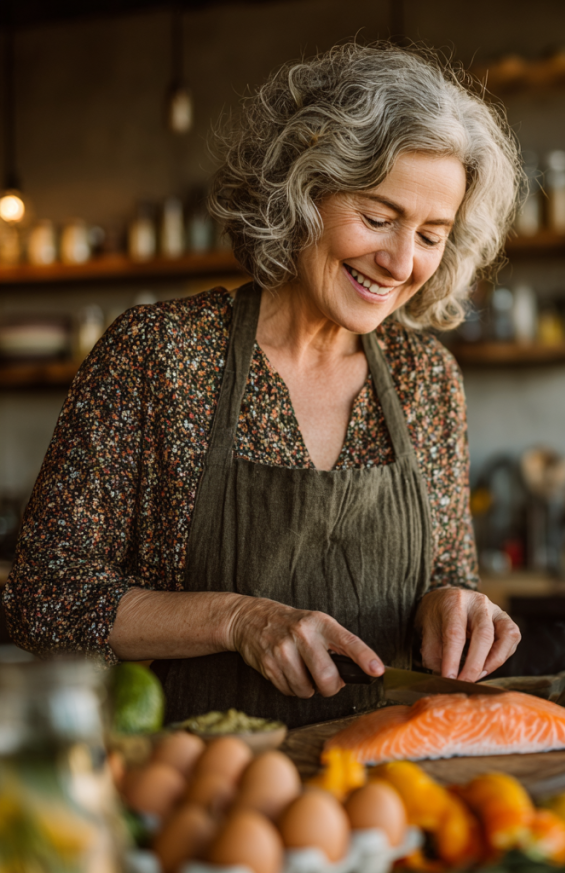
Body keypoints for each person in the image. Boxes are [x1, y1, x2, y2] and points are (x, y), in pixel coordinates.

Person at [3, 43, 523, 726]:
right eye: (377, 218)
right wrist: (237, 619)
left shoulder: (426, 377)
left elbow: (448, 574)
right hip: (200, 770)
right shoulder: (158, 355)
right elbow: (43, 600)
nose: (401, 262)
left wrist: (452, 606)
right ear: (303, 192)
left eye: (431, 235)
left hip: (390, 774)